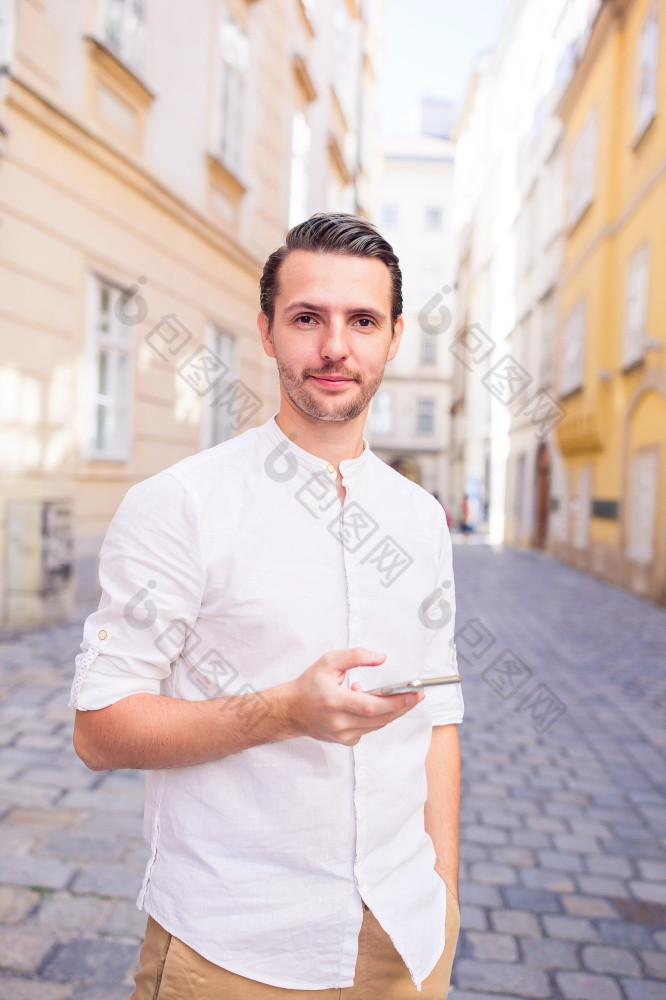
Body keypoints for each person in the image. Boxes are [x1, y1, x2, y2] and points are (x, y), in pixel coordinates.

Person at [70, 213, 465, 999]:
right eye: (307, 318)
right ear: (267, 331)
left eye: (361, 321)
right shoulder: (181, 505)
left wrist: (444, 895)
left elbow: (438, 721)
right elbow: (99, 729)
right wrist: (283, 711)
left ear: (391, 338)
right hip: (232, 946)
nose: (334, 348)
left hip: (403, 936)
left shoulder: (420, 517)